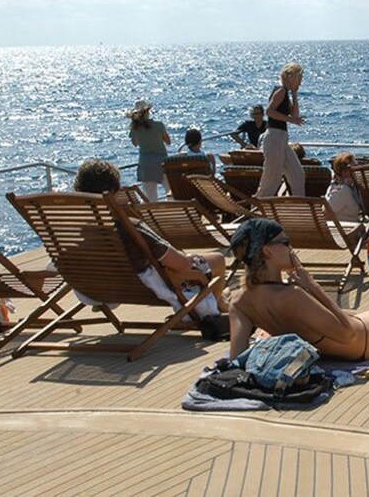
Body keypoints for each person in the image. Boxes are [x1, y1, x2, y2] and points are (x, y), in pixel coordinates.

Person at [227, 219, 369, 361]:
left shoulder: (239, 302)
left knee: (355, 313)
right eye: (285, 243)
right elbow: (348, 335)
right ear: (267, 251)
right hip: (367, 340)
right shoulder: (292, 295)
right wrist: (313, 287)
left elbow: (237, 357)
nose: (291, 248)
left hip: (334, 345)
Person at [72, 159, 228, 318]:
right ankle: (210, 316)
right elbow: (181, 265)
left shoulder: (77, 231)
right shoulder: (128, 228)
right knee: (218, 260)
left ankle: (220, 303)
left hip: (103, 289)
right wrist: (187, 258)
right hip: (148, 287)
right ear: (114, 191)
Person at [257, 62, 306, 198]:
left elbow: (294, 115)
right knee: (272, 180)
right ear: (292, 77)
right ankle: (258, 207)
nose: (300, 83)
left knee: (297, 175)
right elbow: (269, 111)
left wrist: (295, 94)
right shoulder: (281, 91)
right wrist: (291, 120)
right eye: (299, 80)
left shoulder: (286, 93)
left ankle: (300, 208)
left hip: (281, 139)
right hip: (274, 137)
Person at [127, 99, 170, 201]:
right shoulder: (158, 125)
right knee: (170, 190)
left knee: (150, 196)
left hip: (146, 163)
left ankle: (154, 215)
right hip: (162, 161)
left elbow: (135, 143)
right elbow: (168, 141)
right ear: (148, 111)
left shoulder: (135, 128)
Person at [325, 152, 363, 222]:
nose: (358, 169)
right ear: (345, 172)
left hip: (350, 225)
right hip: (348, 228)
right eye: (355, 167)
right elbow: (326, 213)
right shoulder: (342, 190)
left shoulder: (351, 187)